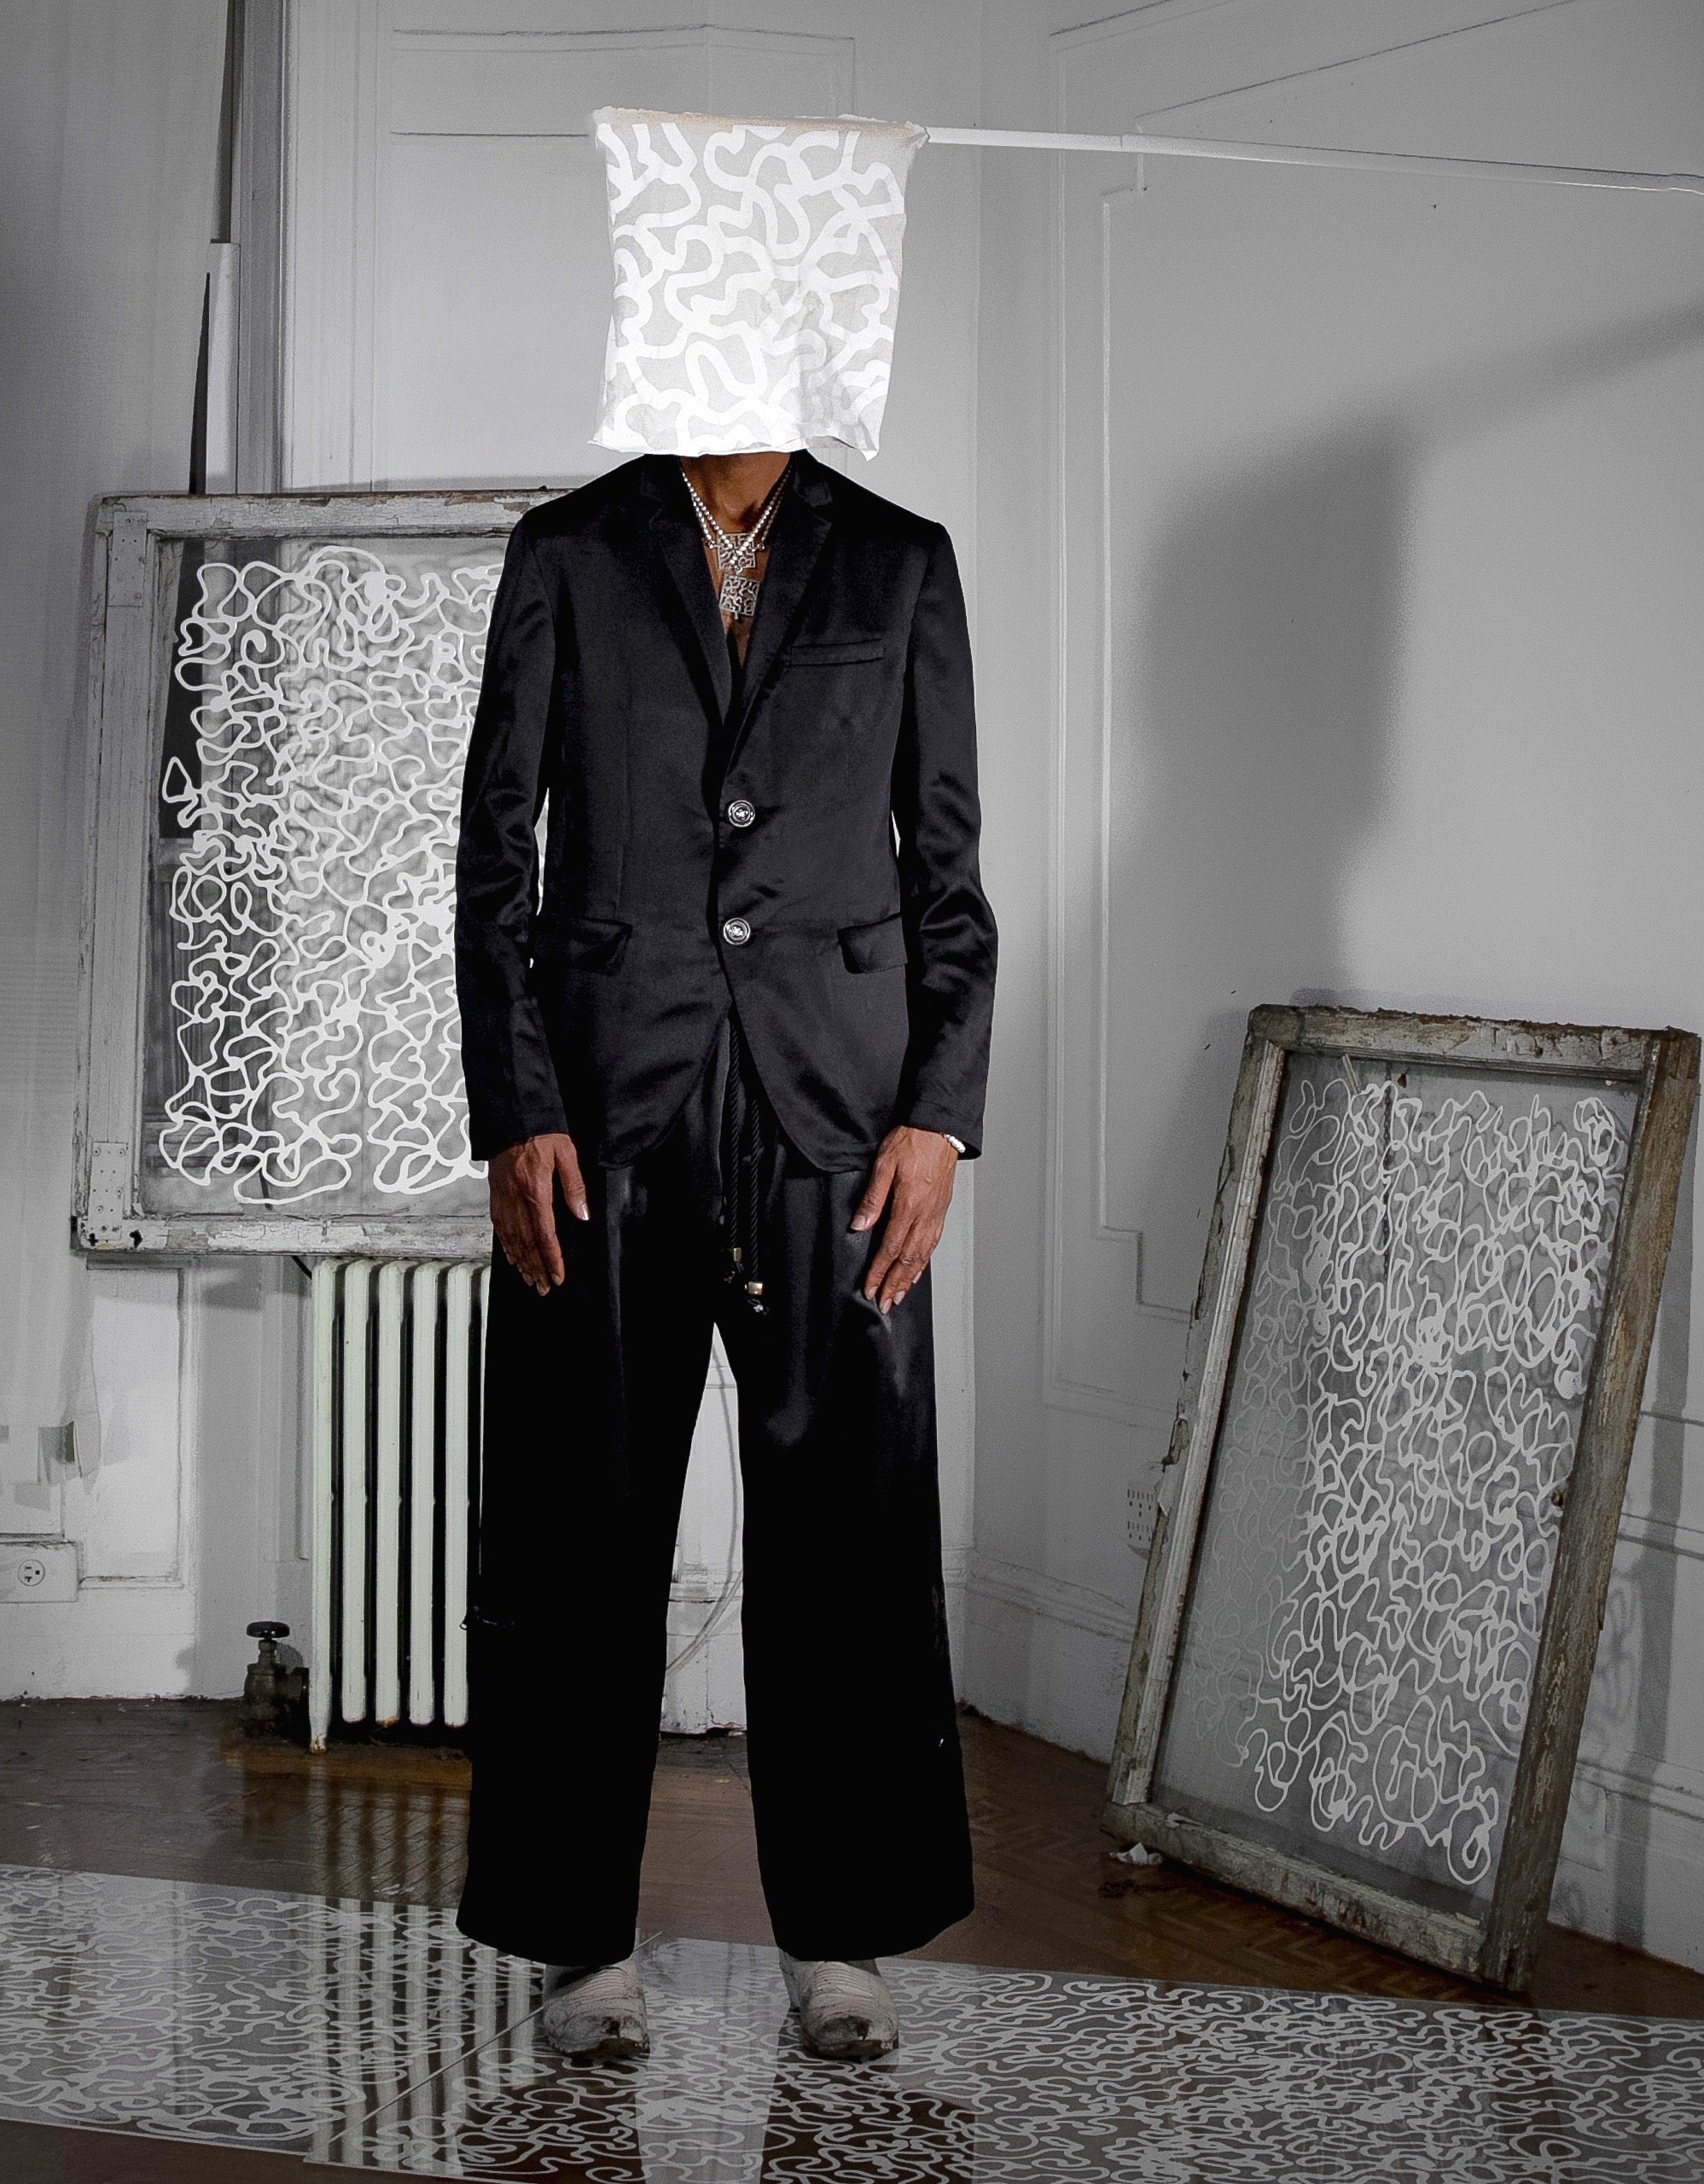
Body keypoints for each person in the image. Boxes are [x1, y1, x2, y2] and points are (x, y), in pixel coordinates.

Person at [453, 444, 997, 2061]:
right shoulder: (568, 548)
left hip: (836, 1109)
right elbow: (495, 849)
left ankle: (844, 1934)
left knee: (851, 1532)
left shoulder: (900, 557)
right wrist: (517, 1109)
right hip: (603, 1104)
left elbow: (946, 863)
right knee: (576, 1523)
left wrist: (938, 1114)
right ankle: (574, 1937)